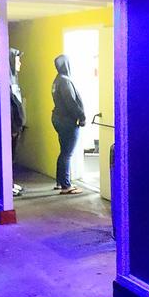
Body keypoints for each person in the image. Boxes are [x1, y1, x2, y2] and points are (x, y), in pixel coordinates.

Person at [51, 54, 85, 195]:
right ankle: (66, 186)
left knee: (64, 151)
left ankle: (60, 182)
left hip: (58, 118)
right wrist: (81, 116)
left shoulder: (57, 80)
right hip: (67, 121)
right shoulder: (65, 81)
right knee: (67, 153)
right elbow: (71, 102)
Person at [10, 48, 26, 197]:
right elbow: (10, 106)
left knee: (13, 157)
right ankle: (7, 186)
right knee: (8, 157)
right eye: (17, 60)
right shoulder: (7, 79)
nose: (20, 63)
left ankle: (11, 182)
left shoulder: (14, 77)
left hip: (17, 125)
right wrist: (14, 126)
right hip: (11, 127)